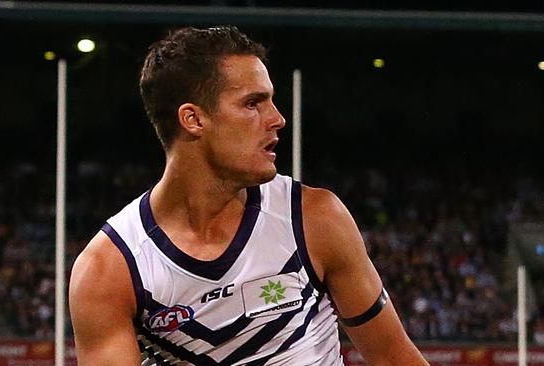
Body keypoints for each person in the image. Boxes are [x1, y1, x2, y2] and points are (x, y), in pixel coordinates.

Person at [69, 25, 429, 365]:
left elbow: (393, 358)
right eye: (253, 103)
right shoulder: (109, 270)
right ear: (193, 119)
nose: (277, 118)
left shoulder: (314, 218)